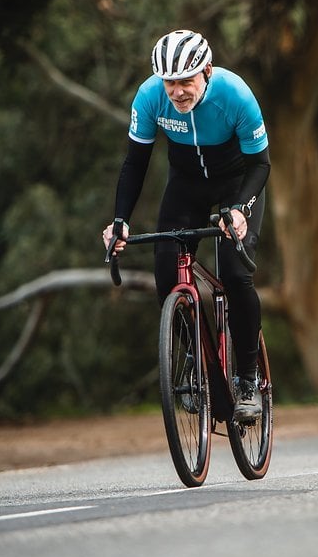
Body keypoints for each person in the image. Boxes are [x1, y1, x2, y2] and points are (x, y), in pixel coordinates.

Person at [102, 30, 270, 421]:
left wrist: (241, 210)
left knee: (235, 275)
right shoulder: (148, 97)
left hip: (237, 185)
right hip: (186, 186)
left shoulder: (235, 95)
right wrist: (120, 221)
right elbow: (135, 164)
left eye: (186, 81)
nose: (177, 91)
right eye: (170, 82)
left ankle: (247, 379)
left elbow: (261, 164)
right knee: (166, 275)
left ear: (206, 71)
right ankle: (196, 358)